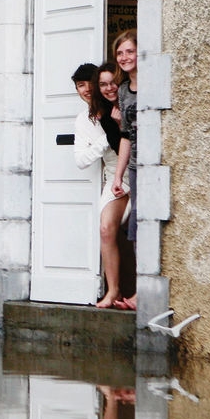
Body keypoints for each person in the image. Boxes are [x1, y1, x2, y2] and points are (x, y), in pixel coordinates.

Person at [73, 62, 130, 308]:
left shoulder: (119, 107)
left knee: (134, 233)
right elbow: (81, 160)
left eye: (90, 84)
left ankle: (134, 292)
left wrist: (116, 127)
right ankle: (113, 290)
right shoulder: (87, 119)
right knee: (106, 229)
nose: (86, 90)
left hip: (133, 174)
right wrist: (105, 140)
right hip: (115, 178)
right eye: (80, 86)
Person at [110, 30, 138, 311]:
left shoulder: (151, 84)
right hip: (134, 167)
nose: (124, 57)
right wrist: (119, 175)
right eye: (120, 53)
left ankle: (143, 292)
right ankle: (138, 291)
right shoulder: (122, 91)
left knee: (145, 225)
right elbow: (126, 135)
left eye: (129, 51)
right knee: (134, 227)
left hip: (153, 164)